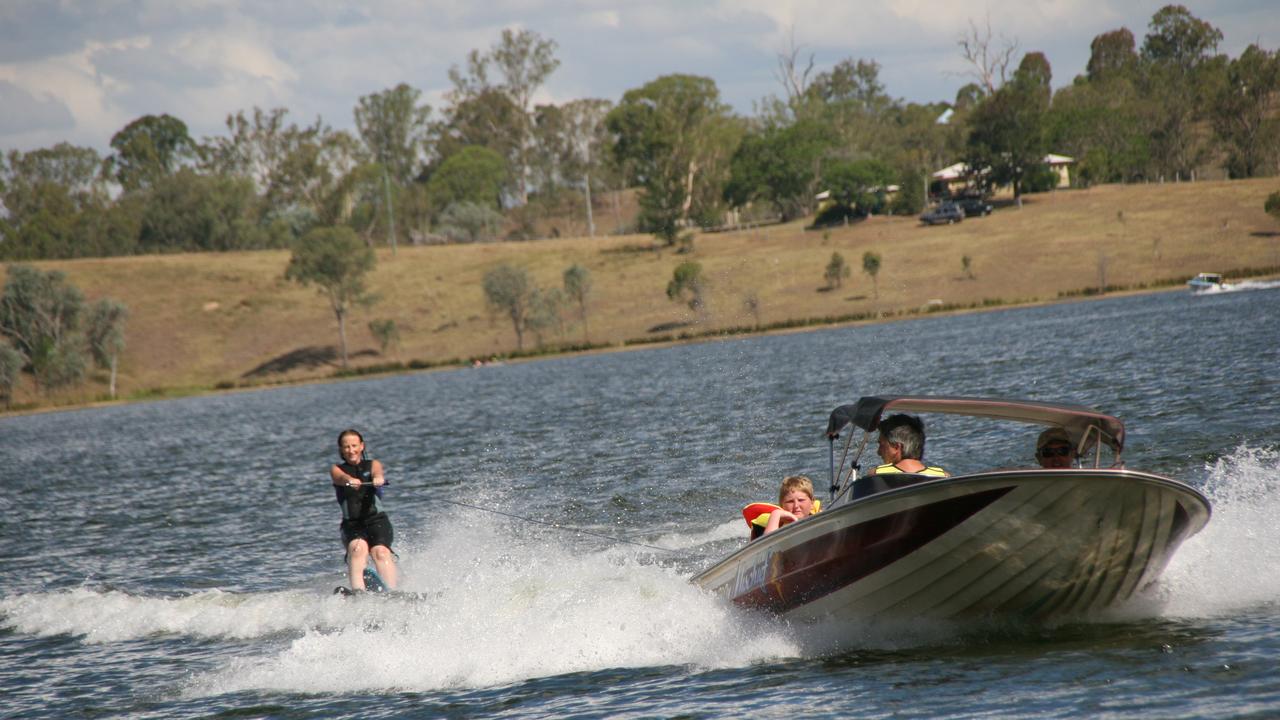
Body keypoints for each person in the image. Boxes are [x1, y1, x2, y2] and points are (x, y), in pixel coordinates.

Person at [331, 429, 398, 591]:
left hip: (377, 520)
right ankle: (358, 592)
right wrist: (349, 480)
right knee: (357, 549)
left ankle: (392, 591)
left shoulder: (373, 464)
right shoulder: (336, 469)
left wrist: (378, 479)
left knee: (380, 552)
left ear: (362, 446)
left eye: (354, 445)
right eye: (346, 447)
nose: (351, 450)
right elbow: (340, 477)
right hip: (352, 524)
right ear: (341, 449)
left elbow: (378, 471)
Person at [873, 413, 948, 477]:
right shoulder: (942, 476)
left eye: (882, 446)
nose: (878, 452)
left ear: (896, 447)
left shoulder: (877, 475)